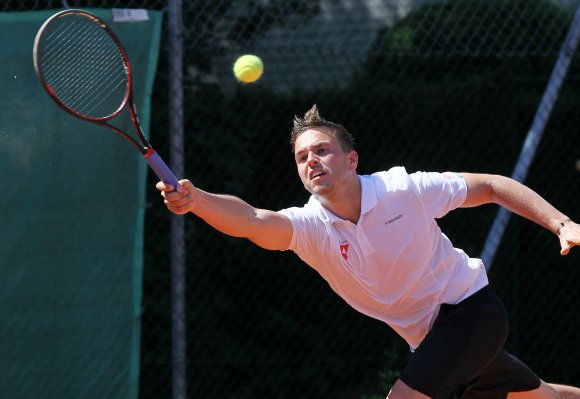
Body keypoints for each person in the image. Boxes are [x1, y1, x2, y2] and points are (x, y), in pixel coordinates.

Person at [157, 105, 580, 399]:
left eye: (322, 150)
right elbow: (250, 220)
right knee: (539, 395)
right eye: (302, 157)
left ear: (351, 159)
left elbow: (490, 186)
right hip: (428, 339)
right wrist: (198, 201)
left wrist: (562, 223)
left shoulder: (403, 190)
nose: (312, 160)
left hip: (471, 312)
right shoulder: (309, 229)